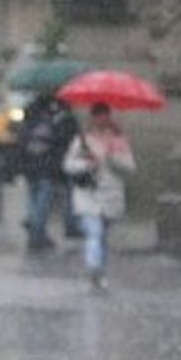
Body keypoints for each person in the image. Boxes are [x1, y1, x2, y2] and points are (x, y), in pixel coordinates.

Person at [62, 102, 136, 291]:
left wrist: (112, 159)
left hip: (111, 195)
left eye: (105, 116)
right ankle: (93, 269)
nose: (102, 120)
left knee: (101, 236)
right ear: (93, 118)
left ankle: (100, 271)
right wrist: (88, 164)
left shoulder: (119, 140)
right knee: (94, 233)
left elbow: (130, 167)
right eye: (98, 116)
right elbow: (68, 165)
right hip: (89, 194)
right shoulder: (82, 140)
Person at [18, 94, 79, 250]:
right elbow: (65, 142)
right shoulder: (60, 118)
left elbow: (20, 139)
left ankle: (36, 229)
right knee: (42, 202)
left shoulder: (30, 115)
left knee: (33, 199)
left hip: (29, 165)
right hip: (47, 167)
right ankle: (37, 235)